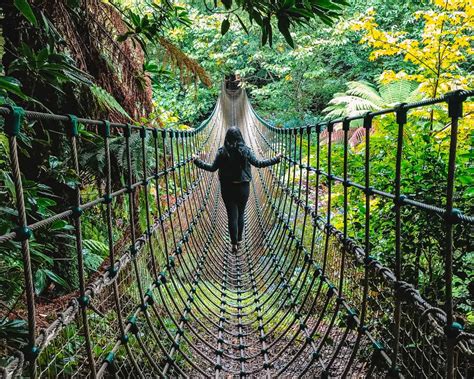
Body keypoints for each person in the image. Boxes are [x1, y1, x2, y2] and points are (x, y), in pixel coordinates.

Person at [192, 127, 281, 252]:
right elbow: (258, 164)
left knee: (231, 216)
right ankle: (239, 240)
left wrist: (196, 161)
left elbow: (212, 168)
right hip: (243, 188)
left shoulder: (222, 152)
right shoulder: (246, 151)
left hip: (227, 188)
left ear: (227, 138)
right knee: (241, 214)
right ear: (240, 137)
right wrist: (275, 159)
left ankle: (233, 244)